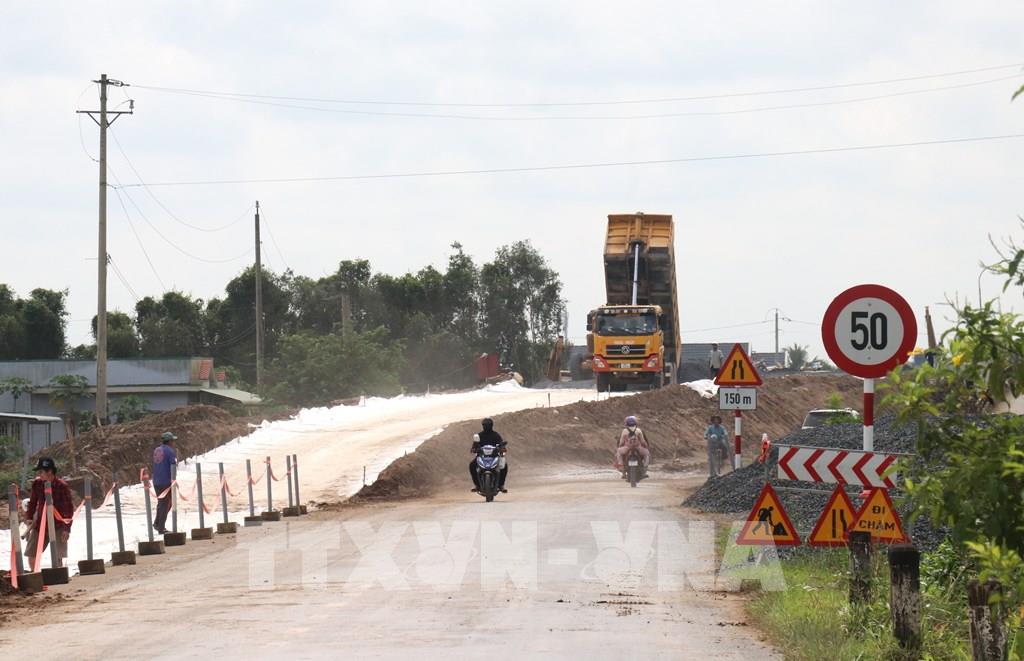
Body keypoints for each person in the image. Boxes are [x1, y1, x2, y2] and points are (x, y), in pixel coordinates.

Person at [23, 457, 75, 570]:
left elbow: (68, 509)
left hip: (58, 526)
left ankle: (58, 576)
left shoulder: (61, 486)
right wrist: (29, 518)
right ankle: (35, 575)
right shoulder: (37, 484)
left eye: (41, 471)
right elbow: (32, 502)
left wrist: (66, 529)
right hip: (40, 525)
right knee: (32, 554)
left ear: (50, 471)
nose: (39, 474)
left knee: (58, 557)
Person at [470, 418, 508, 493]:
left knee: (504, 466)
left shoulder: (496, 435)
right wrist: (474, 448)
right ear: (482, 426)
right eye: (485, 425)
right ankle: (477, 485)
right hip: (482, 456)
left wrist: (502, 448)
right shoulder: (479, 435)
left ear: (491, 425)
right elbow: (475, 444)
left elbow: (501, 444)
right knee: (472, 465)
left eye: (488, 425)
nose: (486, 426)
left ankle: (501, 485)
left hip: (494, 456)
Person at [152, 431, 178, 534]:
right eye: (173, 441)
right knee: (166, 504)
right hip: (166, 481)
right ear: (170, 441)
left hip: (156, 481)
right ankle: (161, 527)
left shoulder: (157, 450)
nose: (173, 443)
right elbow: (173, 466)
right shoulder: (170, 451)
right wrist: (174, 480)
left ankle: (157, 523)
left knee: (161, 503)